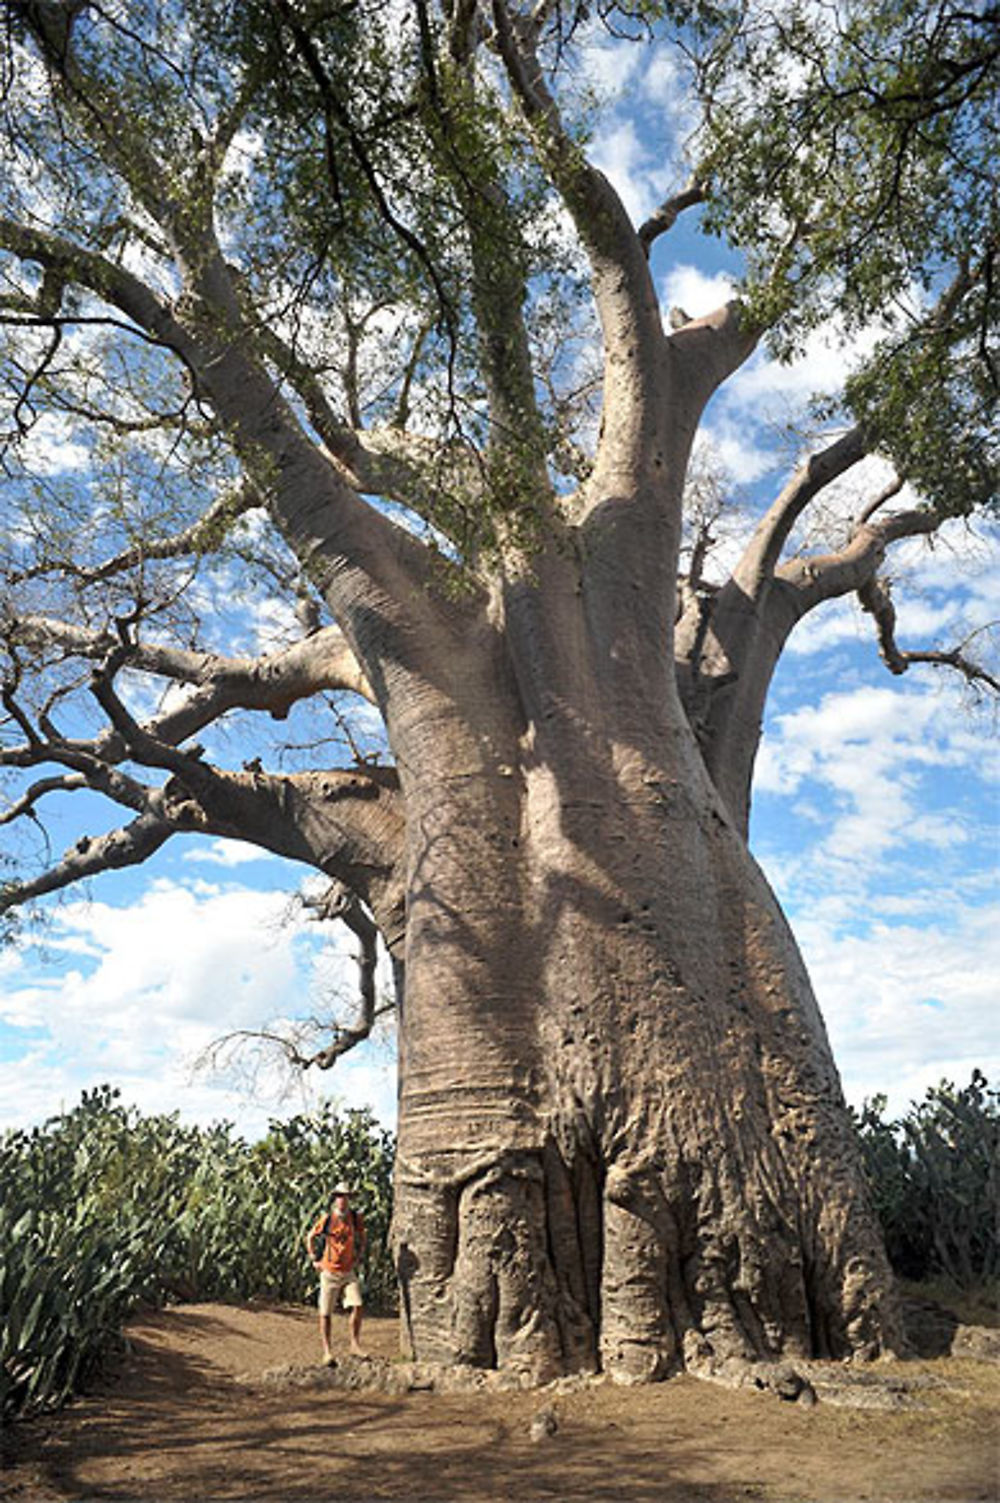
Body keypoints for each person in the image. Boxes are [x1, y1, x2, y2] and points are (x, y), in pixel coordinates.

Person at [305, 1182, 367, 1365]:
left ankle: (355, 1345)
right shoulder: (327, 1219)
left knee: (358, 1305)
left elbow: (363, 1237)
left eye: (346, 1196)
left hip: (348, 1272)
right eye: (340, 1196)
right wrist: (314, 1259)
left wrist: (359, 1256)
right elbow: (310, 1236)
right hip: (329, 1272)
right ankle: (327, 1352)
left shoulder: (356, 1218)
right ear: (335, 1198)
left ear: (349, 1199)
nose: (342, 1200)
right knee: (325, 1313)